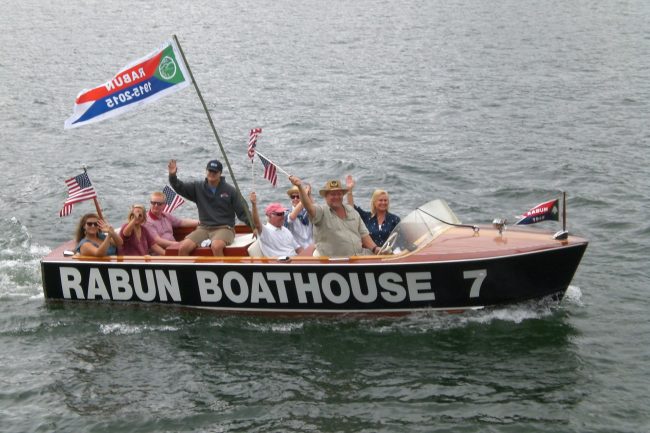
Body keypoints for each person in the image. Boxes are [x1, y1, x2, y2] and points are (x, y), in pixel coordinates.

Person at [168, 159, 251, 256]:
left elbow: (243, 211)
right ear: (206, 171)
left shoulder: (230, 190)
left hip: (225, 228)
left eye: (215, 172)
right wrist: (172, 176)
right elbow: (179, 187)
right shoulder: (197, 187)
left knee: (216, 246)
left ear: (220, 173)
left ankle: (221, 266)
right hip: (203, 228)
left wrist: (253, 226)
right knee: (183, 247)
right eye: (210, 171)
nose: (212, 174)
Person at [288, 175, 382, 257]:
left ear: (342, 195)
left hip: (358, 257)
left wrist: (375, 249)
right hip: (334, 261)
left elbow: (364, 234)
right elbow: (308, 207)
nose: (336, 197)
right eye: (332, 194)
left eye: (339, 194)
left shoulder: (352, 211)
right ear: (326, 197)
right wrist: (300, 187)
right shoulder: (321, 212)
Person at [346, 175, 401, 247]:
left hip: (387, 252)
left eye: (385, 200)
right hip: (369, 252)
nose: (383, 203)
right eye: (380, 200)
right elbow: (351, 208)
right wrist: (349, 191)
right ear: (374, 202)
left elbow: (401, 239)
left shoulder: (395, 219)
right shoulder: (366, 217)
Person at [249, 191, 302, 257]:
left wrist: (308, 257)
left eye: (283, 213)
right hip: (280, 262)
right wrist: (254, 205)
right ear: (269, 215)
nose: (283, 216)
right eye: (279, 214)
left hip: (295, 260)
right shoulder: (265, 231)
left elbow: (298, 248)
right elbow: (257, 224)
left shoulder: (285, 230)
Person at [284, 184, 313, 250]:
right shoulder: (287, 212)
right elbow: (292, 217)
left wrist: (308, 195)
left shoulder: (308, 211)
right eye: (293, 197)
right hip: (297, 248)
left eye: (298, 196)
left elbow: (315, 210)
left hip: (311, 246)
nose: (295, 199)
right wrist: (304, 196)